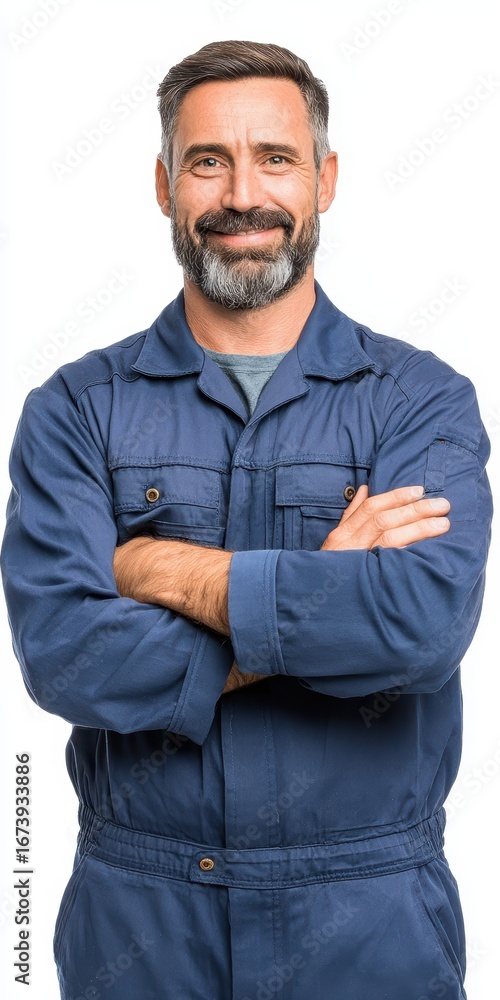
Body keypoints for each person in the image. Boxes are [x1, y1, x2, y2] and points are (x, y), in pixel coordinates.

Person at [1, 39, 492, 1000]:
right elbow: (63, 655)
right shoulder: (76, 411)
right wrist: (320, 592)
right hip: (141, 928)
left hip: (373, 924)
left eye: (275, 158)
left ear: (325, 180)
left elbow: (420, 626)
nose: (242, 195)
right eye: (207, 161)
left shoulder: (421, 403)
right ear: (163, 185)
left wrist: (159, 571)